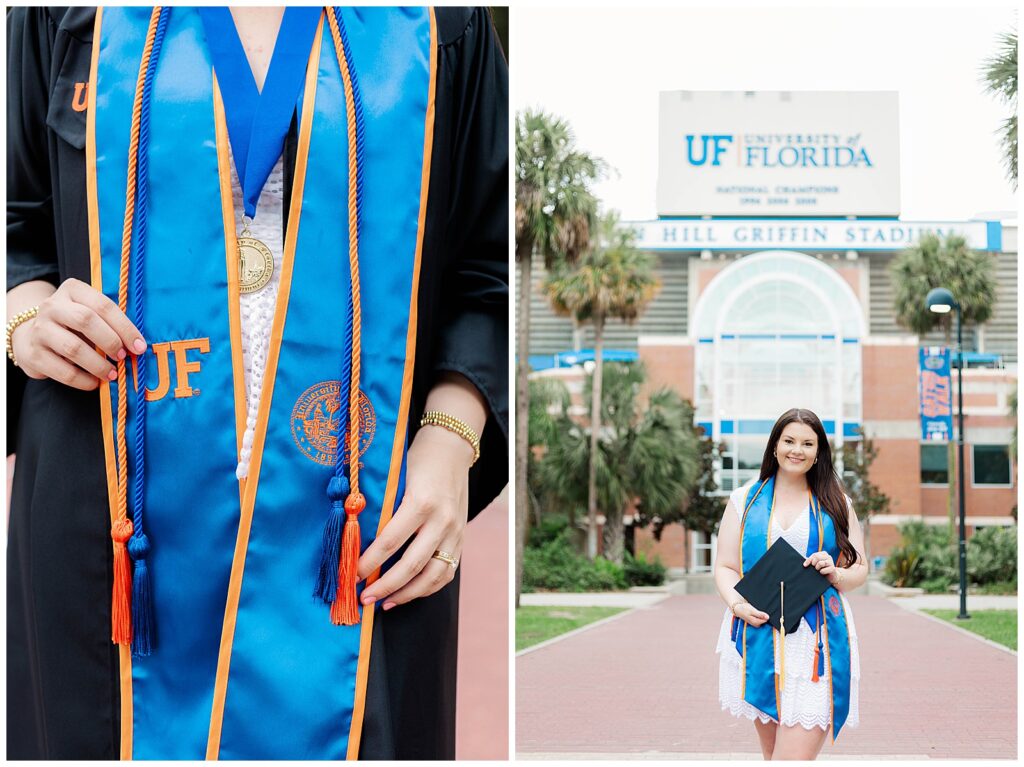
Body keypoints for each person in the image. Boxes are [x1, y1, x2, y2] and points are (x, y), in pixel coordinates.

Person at [7, 6, 507, 760]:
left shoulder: (443, 23)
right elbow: (17, 223)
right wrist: (23, 316)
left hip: (355, 529)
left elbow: (485, 262)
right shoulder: (62, 15)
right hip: (116, 527)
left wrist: (449, 443)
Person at [714, 408, 864, 760]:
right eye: (789, 441)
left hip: (816, 641)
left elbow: (859, 568)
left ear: (818, 452)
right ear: (775, 446)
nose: (797, 450)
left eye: (808, 443)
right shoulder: (744, 500)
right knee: (772, 757)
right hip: (757, 632)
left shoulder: (837, 503)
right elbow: (725, 566)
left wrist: (836, 573)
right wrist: (737, 605)